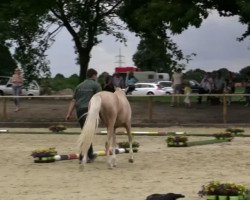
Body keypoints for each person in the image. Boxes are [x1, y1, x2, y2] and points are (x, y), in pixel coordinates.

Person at [65, 68, 102, 162]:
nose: (96, 77)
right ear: (93, 75)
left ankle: (89, 155)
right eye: (96, 75)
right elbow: (99, 100)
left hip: (80, 112)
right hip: (90, 111)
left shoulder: (79, 86)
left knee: (86, 132)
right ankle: (83, 156)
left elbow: (73, 101)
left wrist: (69, 113)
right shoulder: (96, 85)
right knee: (88, 134)